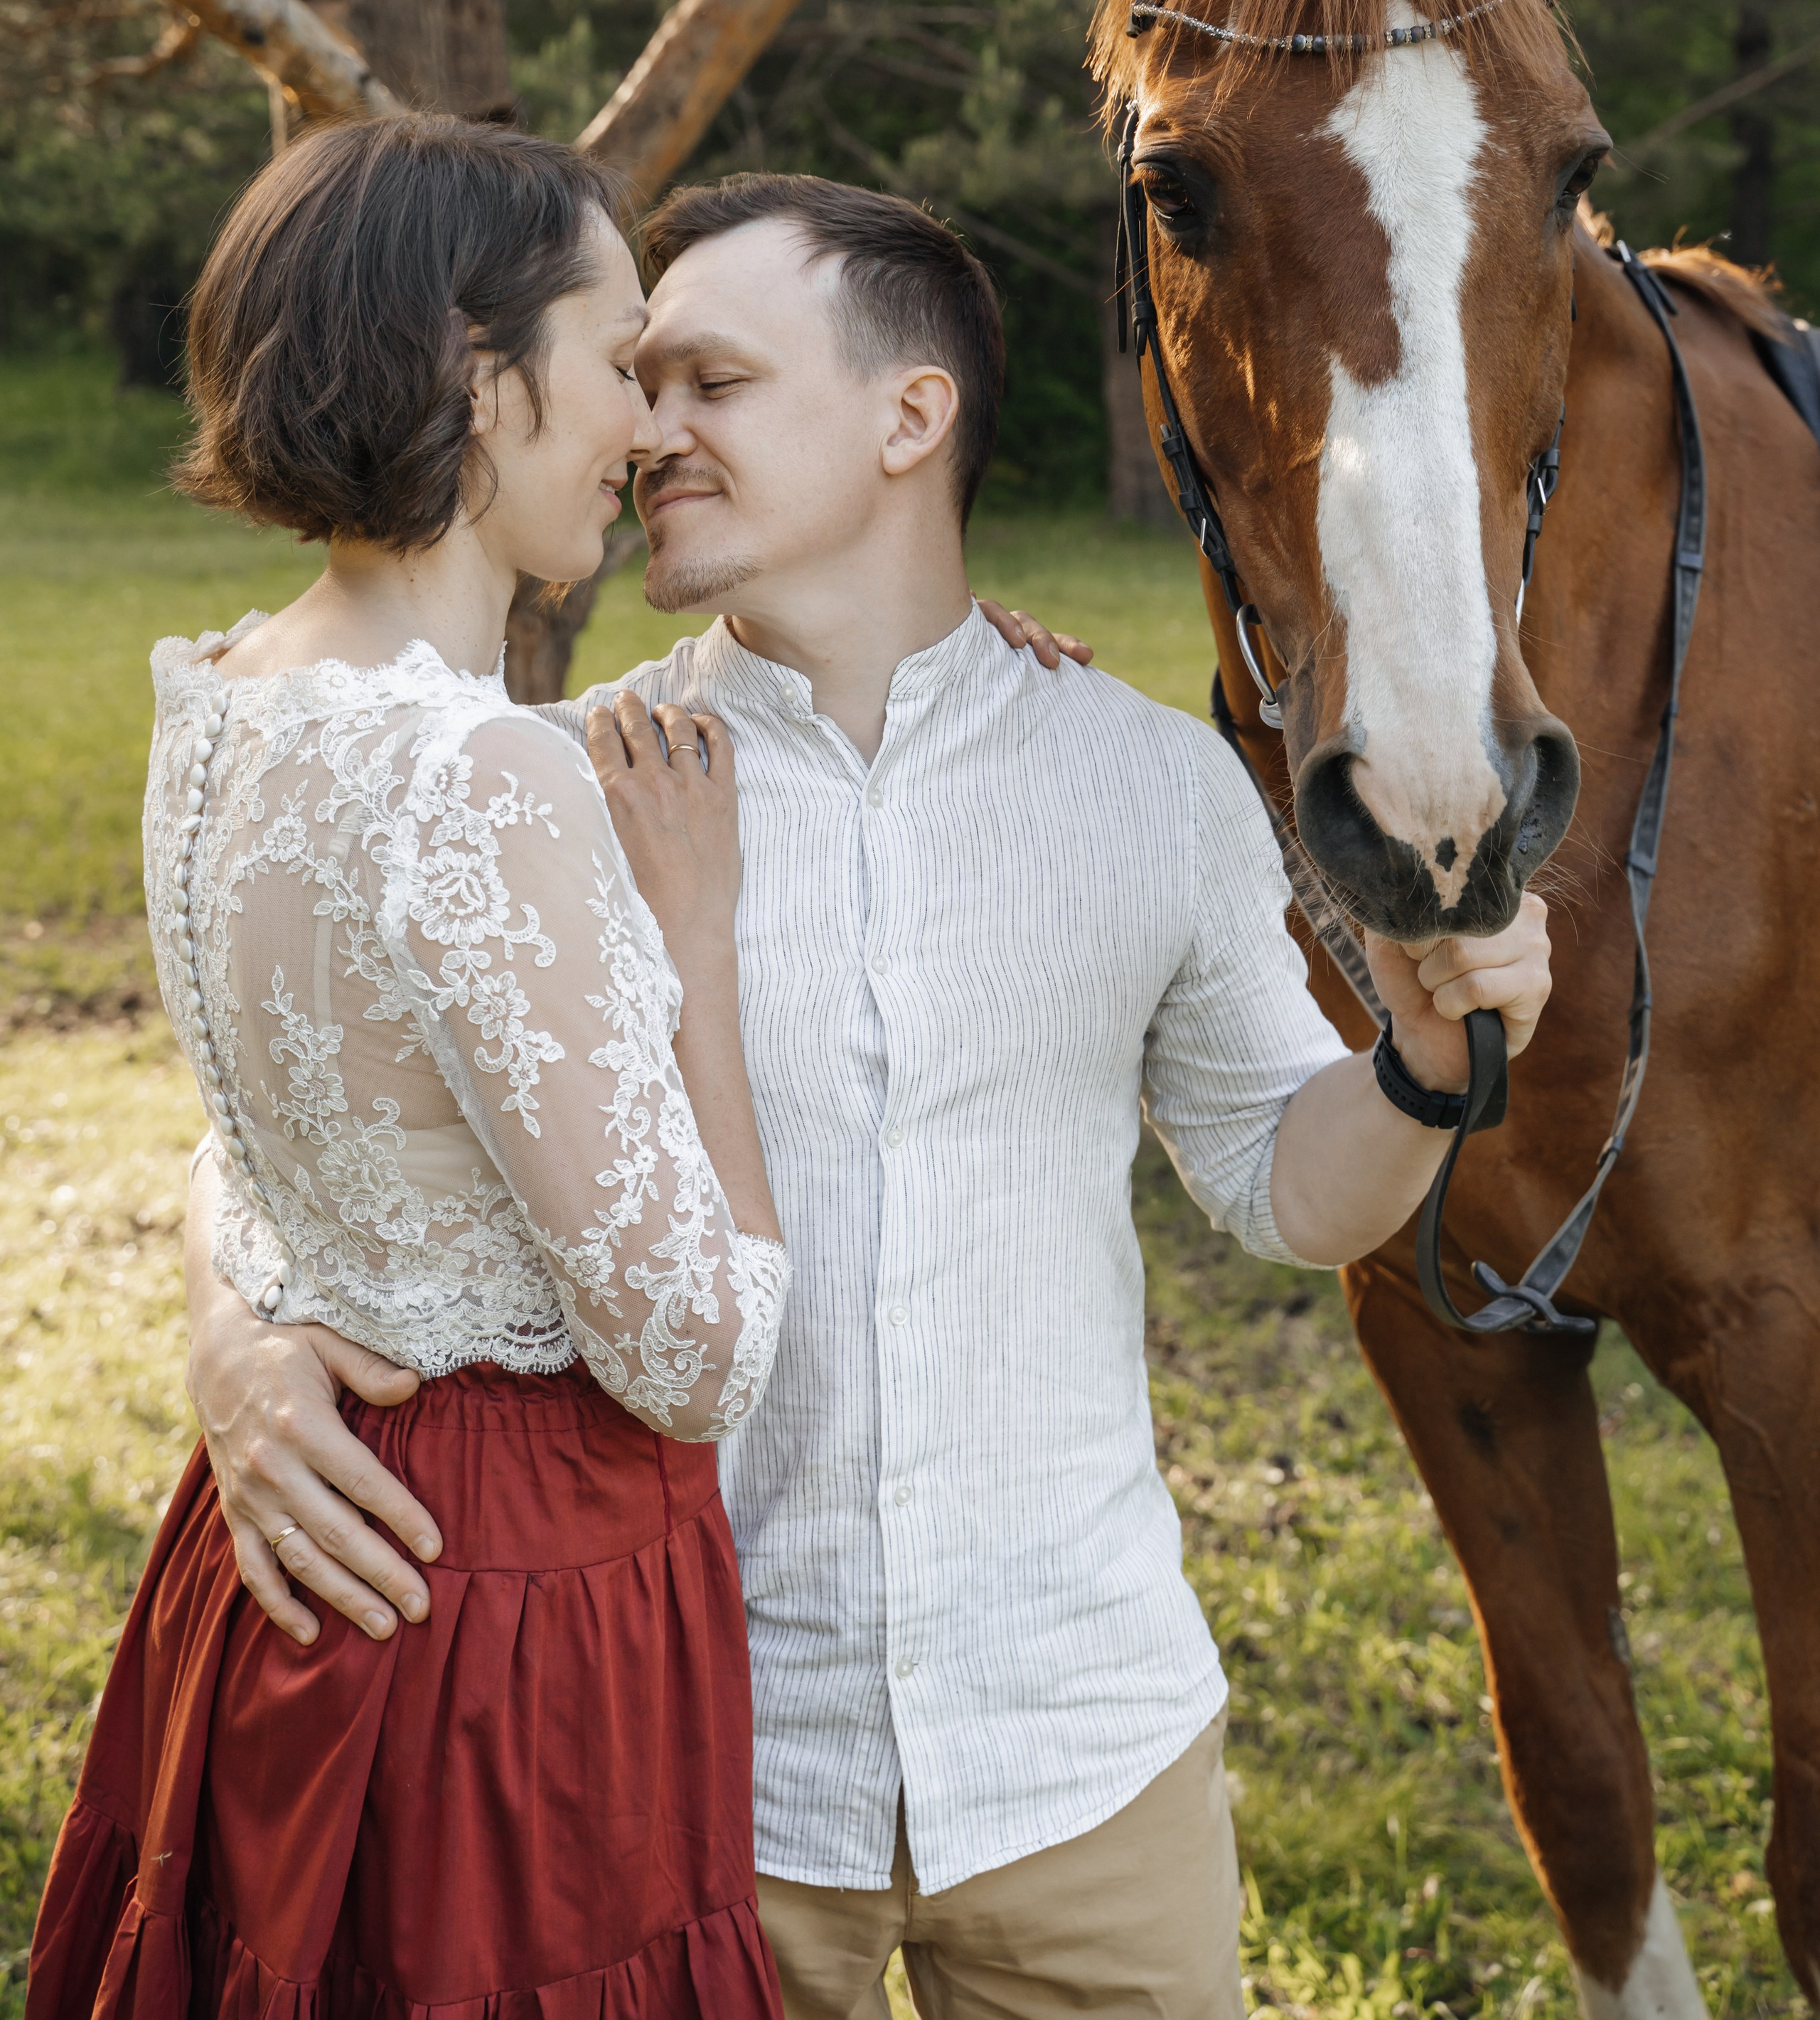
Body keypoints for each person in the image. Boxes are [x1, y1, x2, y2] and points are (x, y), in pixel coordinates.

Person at [178, 173, 1554, 2020]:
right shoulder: (565, 786)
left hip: (1088, 1749)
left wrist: (1427, 1067)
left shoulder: (1145, 785)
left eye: (714, 382)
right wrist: (234, 1337)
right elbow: (297, 1121)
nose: (650, 429)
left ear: (911, 416)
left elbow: (1281, 1184)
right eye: (639, 378)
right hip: (689, 1759)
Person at [27, 119, 795, 2019]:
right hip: (496, 1595)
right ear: (476, 366)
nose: (647, 429)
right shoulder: (482, 774)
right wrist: (696, 950)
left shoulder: (224, 698)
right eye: (617, 361)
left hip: (295, 1539)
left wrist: (235, 1330)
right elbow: (694, 1355)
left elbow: (264, 1135)